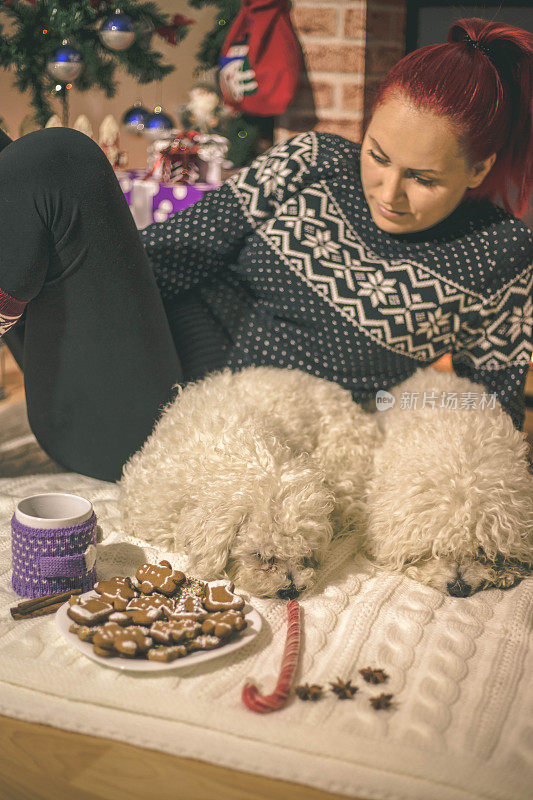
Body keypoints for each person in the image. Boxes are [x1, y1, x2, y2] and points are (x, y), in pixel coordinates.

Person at [1, 17, 532, 483]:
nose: (389, 192)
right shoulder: (315, 159)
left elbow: (485, 428)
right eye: (378, 154)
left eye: (423, 178)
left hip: (173, 433)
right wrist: (86, 271)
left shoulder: (499, 257)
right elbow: (173, 250)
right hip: (117, 366)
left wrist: (377, 421)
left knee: (59, 158)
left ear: (479, 168)